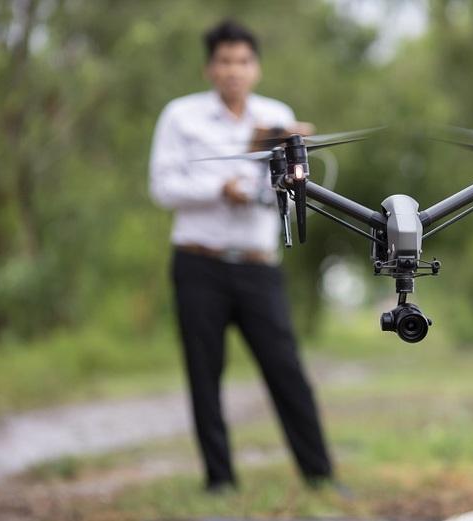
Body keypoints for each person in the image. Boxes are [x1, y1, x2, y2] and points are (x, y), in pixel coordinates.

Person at [148, 19, 334, 493]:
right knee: (204, 373)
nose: (234, 70)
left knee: (286, 369)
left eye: (243, 61)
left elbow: (283, 196)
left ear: (257, 68)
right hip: (198, 261)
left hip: (257, 264)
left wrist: (286, 159)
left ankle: (319, 475)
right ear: (210, 68)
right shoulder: (180, 116)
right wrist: (220, 185)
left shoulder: (276, 115)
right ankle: (220, 480)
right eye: (225, 61)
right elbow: (162, 186)